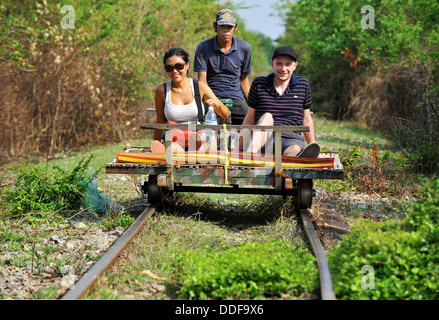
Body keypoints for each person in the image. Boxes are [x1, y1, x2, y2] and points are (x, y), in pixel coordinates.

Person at [240, 46, 321, 158]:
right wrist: (236, 149)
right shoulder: (259, 84)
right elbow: (249, 119)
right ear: (272, 64)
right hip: (263, 138)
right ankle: (251, 154)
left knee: (294, 149)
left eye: (288, 64)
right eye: (279, 64)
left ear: (294, 66)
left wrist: (313, 144)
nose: (283, 69)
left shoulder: (302, 85)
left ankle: (298, 157)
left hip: (291, 139)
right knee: (267, 116)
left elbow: (306, 119)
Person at [151, 48, 229, 154]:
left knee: (202, 144)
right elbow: (160, 121)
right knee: (172, 148)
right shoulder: (162, 90)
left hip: (198, 136)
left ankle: (192, 150)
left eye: (179, 66)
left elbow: (225, 114)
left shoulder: (199, 87)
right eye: (169, 68)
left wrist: (217, 106)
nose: (174, 71)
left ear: (187, 65)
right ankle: (175, 152)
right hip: (175, 138)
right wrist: (156, 142)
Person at [193, 9, 252, 125]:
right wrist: (213, 101)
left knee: (252, 123)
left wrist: (253, 107)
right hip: (210, 97)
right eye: (222, 26)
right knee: (198, 122)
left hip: (235, 98)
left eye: (229, 27)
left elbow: (244, 80)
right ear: (215, 26)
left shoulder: (244, 48)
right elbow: (202, 82)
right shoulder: (203, 47)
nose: (226, 30)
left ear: (235, 27)